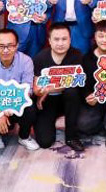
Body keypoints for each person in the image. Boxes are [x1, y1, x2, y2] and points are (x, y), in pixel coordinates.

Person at [0, 28, 40, 151]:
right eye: (1, 46)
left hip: (17, 103)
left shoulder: (26, 61)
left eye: (10, 46)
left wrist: (13, 106)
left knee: (30, 108)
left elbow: (28, 90)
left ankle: (24, 136)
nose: (5, 50)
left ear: (17, 46)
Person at [33, 22, 85, 151]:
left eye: (64, 39)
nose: (60, 43)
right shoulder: (40, 58)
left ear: (70, 40)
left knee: (72, 91)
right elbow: (36, 88)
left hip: (68, 99)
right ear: (49, 41)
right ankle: (52, 121)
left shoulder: (77, 55)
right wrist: (40, 92)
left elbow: (75, 82)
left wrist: (49, 88)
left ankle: (71, 136)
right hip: (48, 100)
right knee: (45, 142)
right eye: (56, 39)